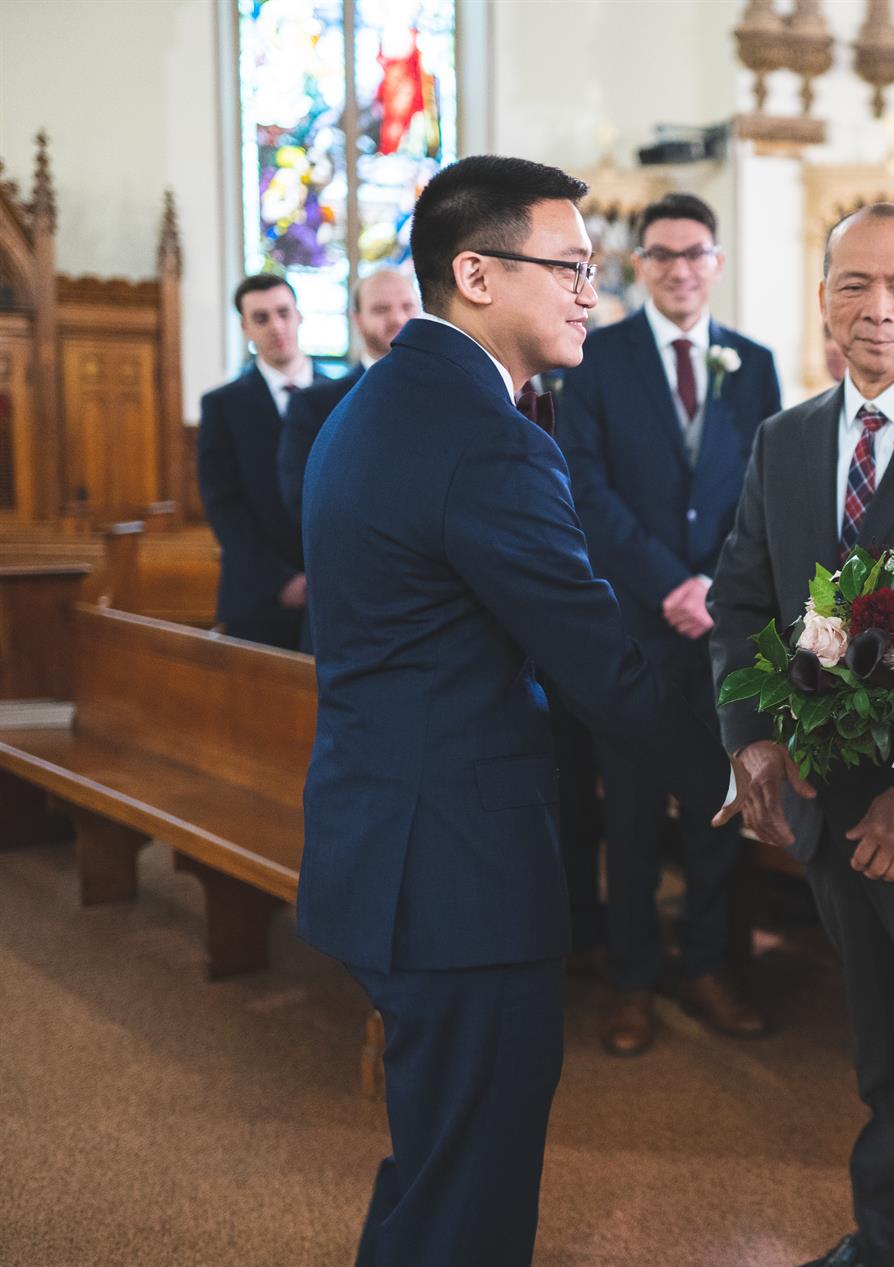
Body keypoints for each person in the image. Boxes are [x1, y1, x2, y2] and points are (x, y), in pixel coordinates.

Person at [297, 155, 665, 1267]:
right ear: (476, 274)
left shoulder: (374, 405)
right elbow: (599, 662)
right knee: (471, 1193)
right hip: (458, 878)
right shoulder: (489, 438)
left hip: (387, 843)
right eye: (570, 266)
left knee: (436, 1166)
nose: (590, 292)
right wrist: (753, 761)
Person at [707, 203, 894, 1267]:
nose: (877, 309)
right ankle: (890, 1243)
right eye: (854, 285)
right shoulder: (785, 439)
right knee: (880, 1058)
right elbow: (742, 600)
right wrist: (752, 740)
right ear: (822, 297)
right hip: (828, 814)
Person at [559, 191, 780, 1054]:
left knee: (718, 805)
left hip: (725, 627)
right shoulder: (597, 358)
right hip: (637, 626)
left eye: (695, 254)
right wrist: (669, 585)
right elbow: (585, 489)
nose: (680, 269)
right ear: (640, 264)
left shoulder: (752, 364)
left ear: (715, 264)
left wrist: (717, 589)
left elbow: (766, 489)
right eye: (662, 254)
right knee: (632, 812)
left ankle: (707, 966)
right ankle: (631, 977)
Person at [198, 273, 314, 649]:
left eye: (283, 313)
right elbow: (224, 505)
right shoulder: (222, 405)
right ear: (245, 327)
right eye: (261, 318)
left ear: (299, 316)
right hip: (258, 595)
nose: (276, 327)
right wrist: (280, 580)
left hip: (335, 589)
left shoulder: (345, 393)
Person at [277, 268, 420, 524]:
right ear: (357, 319)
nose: (398, 318)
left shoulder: (452, 394)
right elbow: (303, 498)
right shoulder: (314, 405)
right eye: (381, 309)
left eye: (407, 307)